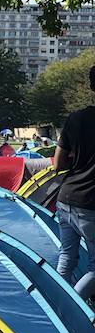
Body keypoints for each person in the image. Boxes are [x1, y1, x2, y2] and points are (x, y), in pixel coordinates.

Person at [55, 65, 95, 301]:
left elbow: (57, 164)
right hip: (90, 203)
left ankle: (58, 305)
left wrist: (79, 163)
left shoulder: (75, 118)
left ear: (91, 85)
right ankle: (73, 308)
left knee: (67, 257)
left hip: (66, 198)